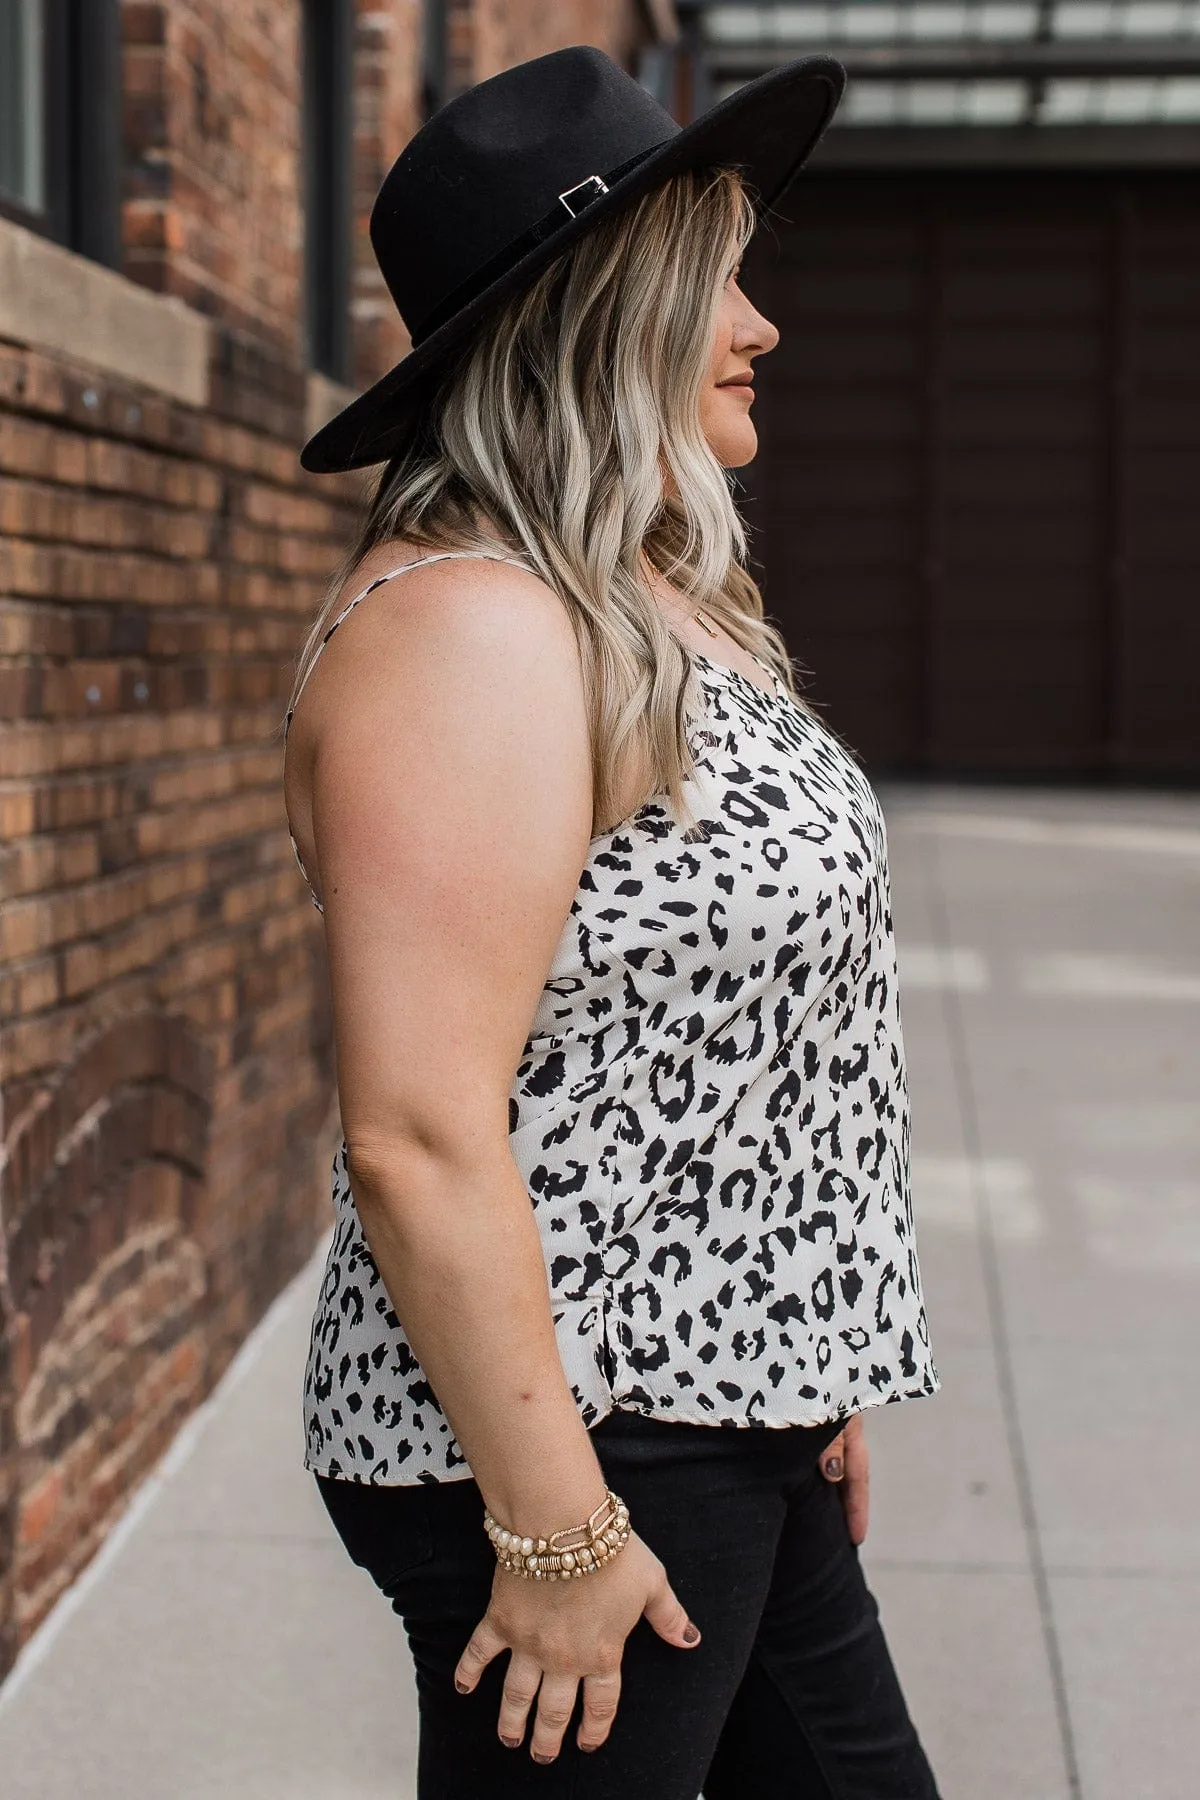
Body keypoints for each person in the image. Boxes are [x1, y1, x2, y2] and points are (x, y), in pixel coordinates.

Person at [283, 45, 941, 1800]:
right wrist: (561, 1531)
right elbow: (421, 1130)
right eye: (716, 277)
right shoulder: (470, 629)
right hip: (583, 1446)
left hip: (731, 1412)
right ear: (607, 316)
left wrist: (813, 1359)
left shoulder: (643, 603)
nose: (760, 323)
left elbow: (733, 1031)